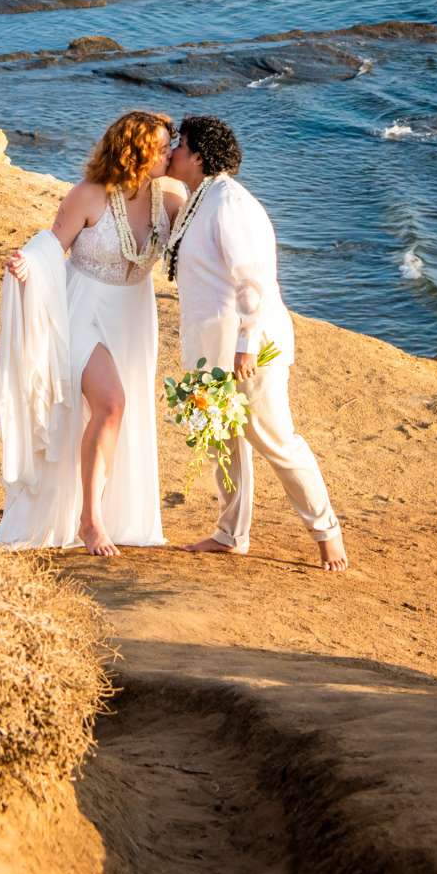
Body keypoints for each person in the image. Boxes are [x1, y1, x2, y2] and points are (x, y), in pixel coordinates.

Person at [161, 115, 347, 570]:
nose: (172, 153)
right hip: (210, 347)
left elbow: (254, 281)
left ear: (199, 157)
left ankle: (327, 533)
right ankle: (230, 533)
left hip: (250, 349)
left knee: (274, 439)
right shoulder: (197, 198)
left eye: (179, 146)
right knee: (222, 440)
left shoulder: (229, 204)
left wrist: (246, 344)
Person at [0, 109, 172, 554]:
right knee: (111, 404)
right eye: (163, 148)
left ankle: (107, 511)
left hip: (133, 315)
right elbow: (52, 243)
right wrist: (26, 264)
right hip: (84, 310)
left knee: (117, 415)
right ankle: (90, 520)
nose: (169, 154)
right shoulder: (89, 195)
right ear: (137, 152)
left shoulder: (169, 199)